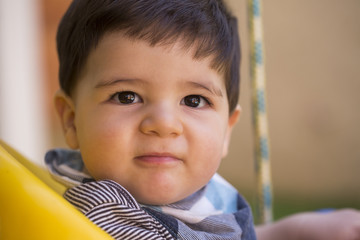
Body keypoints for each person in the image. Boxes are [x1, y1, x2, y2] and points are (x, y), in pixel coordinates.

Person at [45, 0, 360, 239]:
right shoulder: (101, 210)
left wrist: (287, 230)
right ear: (72, 121)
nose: (164, 124)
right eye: (127, 96)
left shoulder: (193, 195)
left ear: (226, 131)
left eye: (194, 101)